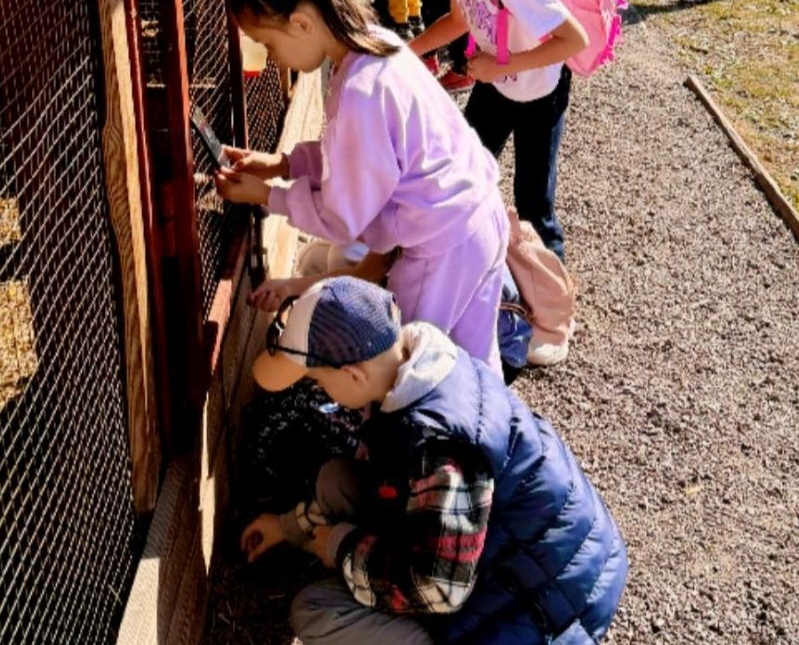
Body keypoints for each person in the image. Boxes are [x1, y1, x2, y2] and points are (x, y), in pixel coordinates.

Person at [239, 276, 628, 645]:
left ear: (354, 375)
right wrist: (289, 527)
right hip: (517, 559)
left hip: (541, 608)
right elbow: (388, 488)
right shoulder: (419, 370)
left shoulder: (442, 451)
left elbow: (440, 589)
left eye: (320, 381)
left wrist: (340, 547)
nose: (323, 392)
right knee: (336, 480)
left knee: (314, 611)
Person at [211, 0, 509, 366]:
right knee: (475, 359)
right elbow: (361, 156)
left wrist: (268, 197)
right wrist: (283, 164)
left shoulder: (357, 93)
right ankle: (492, 428)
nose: (272, 58)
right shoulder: (376, 43)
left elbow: (341, 216)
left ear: (300, 24)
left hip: (439, 247)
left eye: (267, 43)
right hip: (480, 220)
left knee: (407, 366)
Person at [403, 0, 588, 258]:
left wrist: (500, 64)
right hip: (495, 83)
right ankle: (463, 257)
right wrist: (408, 50)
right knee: (463, 169)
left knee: (532, 205)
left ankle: (548, 299)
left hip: (539, 93)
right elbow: (458, 20)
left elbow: (573, 41)